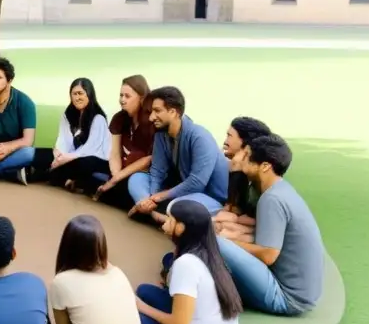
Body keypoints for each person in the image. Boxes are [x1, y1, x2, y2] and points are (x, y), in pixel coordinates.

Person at [217, 134, 325, 315]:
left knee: (213, 240)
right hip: (303, 295)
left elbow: (268, 255)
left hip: (287, 298)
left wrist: (226, 242)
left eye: (247, 155)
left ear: (265, 166)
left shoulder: (272, 199)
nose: (241, 157)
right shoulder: (281, 189)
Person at [136, 200, 243, 324]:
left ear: (181, 228)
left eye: (171, 219)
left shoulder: (186, 264)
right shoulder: (208, 252)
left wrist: (142, 307)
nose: (165, 221)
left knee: (133, 317)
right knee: (144, 290)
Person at [127, 86, 228, 225]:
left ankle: (154, 215)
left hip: (207, 197)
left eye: (157, 111)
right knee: (137, 178)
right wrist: (151, 198)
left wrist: (161, 196)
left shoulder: (199, 136)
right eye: (151, 112)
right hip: (182, 192)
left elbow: (197, 183)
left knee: (178, 206)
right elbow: (157, 171)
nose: (151, 117)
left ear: (173, 112)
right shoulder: (161, 135)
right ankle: (150, 211)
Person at [30, 78, 110, 190]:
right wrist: (58, 154)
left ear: (89, 94)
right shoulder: (68, 115)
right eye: (74, 94)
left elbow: (91, 148)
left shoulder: (98, 118)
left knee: (81, 163)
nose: (77, 98)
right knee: (43, 154)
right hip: (73, 156)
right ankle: (67, 179)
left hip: (95, 159)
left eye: (80, 93)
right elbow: (63, 139)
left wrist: (67, 158)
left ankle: (38, 175)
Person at [92, 74, 155, 210]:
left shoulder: (151, 123)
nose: (122, 100)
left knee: (116, 187)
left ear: (142, 98)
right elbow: (114, 152)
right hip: (121, 170)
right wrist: (115, 176)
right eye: (121, 95)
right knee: (91, 171)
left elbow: (148, 159)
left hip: (142, 174)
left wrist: (115, 180)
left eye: (127, 96)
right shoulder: (119, 118)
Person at [216, 117, 272, 243]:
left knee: (222, 231)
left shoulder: (261, 176)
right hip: (245, 224)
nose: (225, 141)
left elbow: (255, 220)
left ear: (246, 145)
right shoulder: (238, 168)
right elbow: (233, 208)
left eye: (230, 136)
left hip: (260, 235)